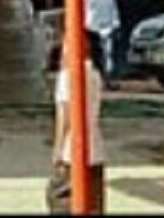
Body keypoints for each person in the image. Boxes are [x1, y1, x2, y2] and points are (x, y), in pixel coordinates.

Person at [48, 31, 106, 214]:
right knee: (93, 203)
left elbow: (65, 115)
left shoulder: (67, 76)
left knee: (60, 198)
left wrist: (57, 148)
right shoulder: (95, 74)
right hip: (95, 149)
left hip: (71, 151)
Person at [86, 0, 122, 77]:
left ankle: (108, 75)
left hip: (107, 27)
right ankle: (99, 73)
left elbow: (113, 9)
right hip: (91, 29)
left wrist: (116, 25)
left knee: (108, 53)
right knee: (95, 53)